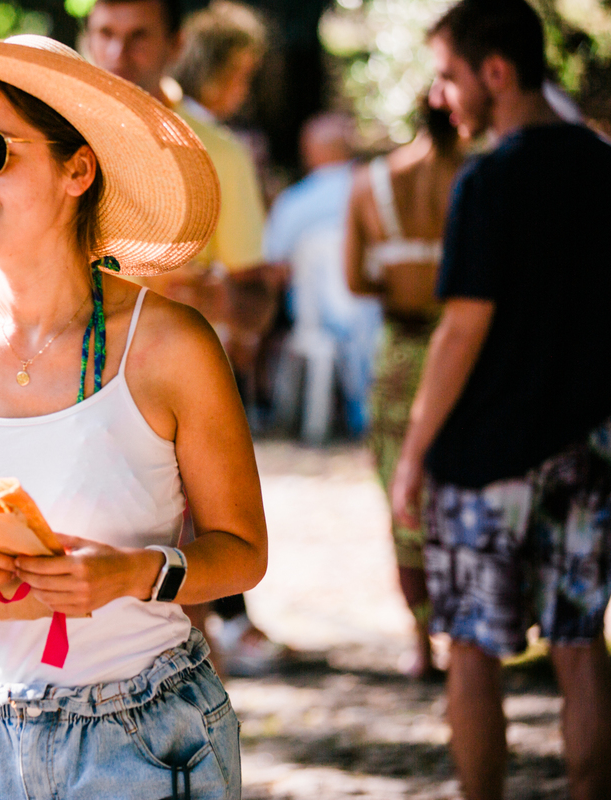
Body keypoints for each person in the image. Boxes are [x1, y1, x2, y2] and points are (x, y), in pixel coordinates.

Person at [0, 33, 267, 798]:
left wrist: (133, 574)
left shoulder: (168, 344)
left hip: (143, 734)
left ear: (77, 169)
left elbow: (245, 552)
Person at [390, 2, 611, 798]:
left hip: (484, 457)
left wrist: (412, 456)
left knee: (473, 647)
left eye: (449, 75)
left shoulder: (490, 178)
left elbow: (460, 330)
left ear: (496, 72)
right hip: (588, 448)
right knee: (581, 642)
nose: (441, 95)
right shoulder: (602, 164)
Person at [86, 0, 281, 677]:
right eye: (104, 34)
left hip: (176, 410)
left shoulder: (214, 150)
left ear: (175, 44)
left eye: (138, 37)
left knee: (181, 612)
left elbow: (257, 298)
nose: (118, 54)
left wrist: (209, 293)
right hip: (63, 398)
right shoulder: (54, 133)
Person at [344, 95, 464, 679]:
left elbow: (355, 278)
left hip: (397, 349)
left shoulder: (371, 183)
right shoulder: (476, 176)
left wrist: (401, 269)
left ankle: (421, 643)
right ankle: (473, 633)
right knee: (463, 485)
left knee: (401, 493)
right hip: (465, 352)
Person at [265, 112, 382, 440]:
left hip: (315, 318)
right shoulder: (376, 190)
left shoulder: (294, 202)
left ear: (310, 151)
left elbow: (275, 269)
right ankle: (366, 418)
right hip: (373, 312)